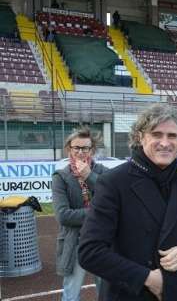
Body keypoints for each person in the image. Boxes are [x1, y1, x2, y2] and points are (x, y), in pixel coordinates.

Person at [78, 104, 177, 300]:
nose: (165, 142)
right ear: (140, 137)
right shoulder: (114, 182)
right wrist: (148, 278)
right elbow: (89, 252)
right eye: (156, 134)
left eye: (172, 136)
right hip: (129, 293)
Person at [52, 127, 107, 301]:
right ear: (69, 149)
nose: (81, 152)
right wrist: (97, 213)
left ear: (92, 150)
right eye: (77, 148)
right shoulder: (60, 177)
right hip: (74, 242)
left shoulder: (103, 172)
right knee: (71, 294)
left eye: (85, 148)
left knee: (106, 292)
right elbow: (63, 216)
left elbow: (113, 201)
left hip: (102, 241)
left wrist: (89, 176)